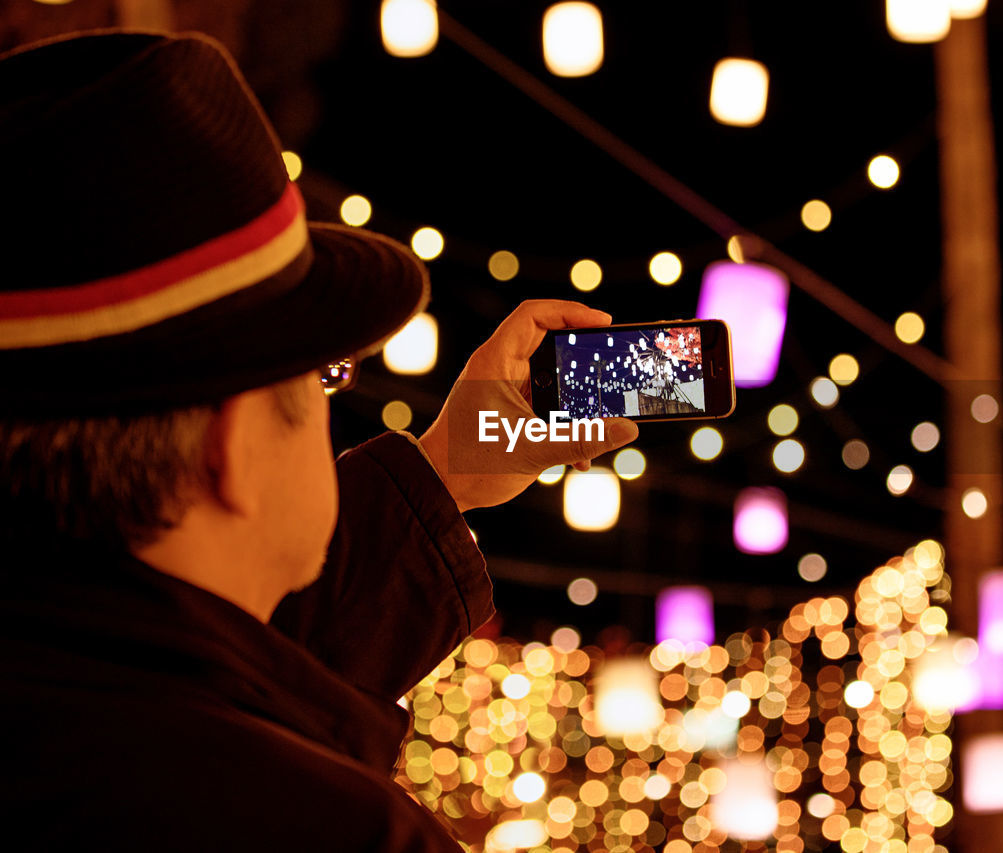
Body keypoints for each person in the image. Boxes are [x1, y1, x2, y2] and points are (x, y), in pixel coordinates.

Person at [0, 29, 638, 850]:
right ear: (231, 446)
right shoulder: (334, 828)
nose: (336, 402)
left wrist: (453, 463)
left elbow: (231, 677)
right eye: (324, 376)